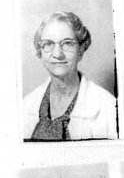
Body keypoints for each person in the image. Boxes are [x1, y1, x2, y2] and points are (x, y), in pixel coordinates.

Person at [23, 11, 117, 141]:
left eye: (67, 43)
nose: (57, 54)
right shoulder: (26, 105)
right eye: (48, 44)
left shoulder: (110, 108)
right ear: (40, 52)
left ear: (81, 50)